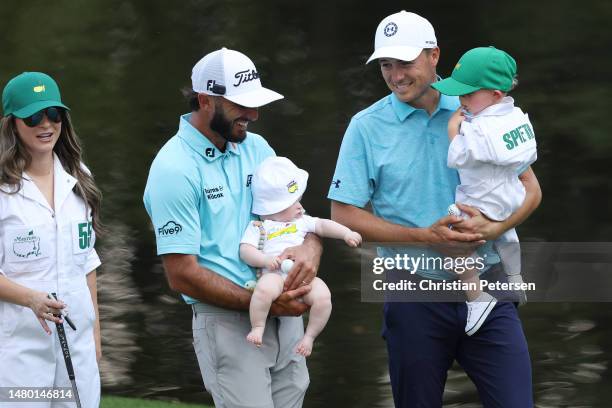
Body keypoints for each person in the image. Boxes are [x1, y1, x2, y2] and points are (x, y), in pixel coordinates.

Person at [328, 11, 541, 408]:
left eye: (404, 63)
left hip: (489, 284)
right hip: (412, 294)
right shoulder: (365, 127)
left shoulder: (477, 106)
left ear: (433, 56)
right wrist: (426, 236)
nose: (395, 76)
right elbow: (344, 215)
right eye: (386, 66)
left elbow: (531, 189)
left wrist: (494, 229)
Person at [143, 48, 322, 408]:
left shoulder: (257, 148)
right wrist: (265, 303)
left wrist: (310, 248)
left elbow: (299, 217)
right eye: (241, 105)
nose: (254, 115)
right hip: (227, 322)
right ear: (206, 100)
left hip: (284, 312)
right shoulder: (173, 169)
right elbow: (182, 275)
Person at [0, 72, 102, 408]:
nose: (46, 124)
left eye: (54, 114)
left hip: (78, 347)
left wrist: (96, 339)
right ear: (11, 124)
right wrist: (30, 298)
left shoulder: (80, 177)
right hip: (19, 354)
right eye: (33, 117)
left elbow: (87, 263)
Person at [433, 46, 537, 334]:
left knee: (455, 239)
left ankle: (477, 297)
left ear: (495, 95)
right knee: (507, 232)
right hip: (511, 196)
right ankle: (515, 276)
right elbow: (528, 157)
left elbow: (457, 158)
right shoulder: (515, 116)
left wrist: (455, 128)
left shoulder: (479, 127)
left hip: (482, 202)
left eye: (468, 94)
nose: (461, 100)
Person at [240, 156, 362, 356]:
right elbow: (246, 250)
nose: (300, 206)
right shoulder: (260, 227)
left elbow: (323, 225)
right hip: (275, 275)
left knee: (323, 297)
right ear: (272, 207)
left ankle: (309, 336)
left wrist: (346, 233)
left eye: (299, 200)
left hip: (304, 278)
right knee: (263, 291)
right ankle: (258, 327)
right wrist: (265, 260)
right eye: (292, 202)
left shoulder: (302, 221)